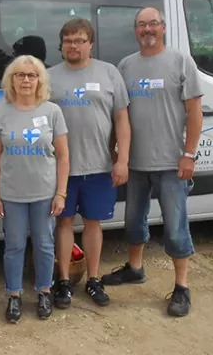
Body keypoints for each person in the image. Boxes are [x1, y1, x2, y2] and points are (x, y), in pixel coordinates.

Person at [101, 7, 203, 318]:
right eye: (142, 25)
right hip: (135, 163)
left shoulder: (180, 62)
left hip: (172, 164)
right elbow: (119, 115)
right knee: (133, 221)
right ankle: (135, 268)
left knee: (175, 227)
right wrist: (117, 152)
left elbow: (195, 113)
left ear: (164, 27)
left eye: (153, 24)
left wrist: (189, 154)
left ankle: (182, 287)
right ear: (136, 31)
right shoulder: (126, 66)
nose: (148, 29)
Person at [47, 18, 130, 309]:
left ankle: (94, 279)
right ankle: (65, 281)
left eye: (80, 40)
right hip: (60, 169)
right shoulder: (49, 77)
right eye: (68, 40)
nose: (74, 45)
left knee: (94, 223)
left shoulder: (109, 73)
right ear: (61, 45)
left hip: (99, 164)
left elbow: (121, 118)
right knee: (64, 222)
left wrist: (123, 160)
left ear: (90, 43)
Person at [0, 55, 70, 323]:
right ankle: (14, 295)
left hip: (44, 193)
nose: (25, 80)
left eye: (31, 75)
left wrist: (61, 193)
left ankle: (44, 290)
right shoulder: (0, 112)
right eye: (19, 75)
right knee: (13, 246)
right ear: (11, 80)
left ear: (40, 80)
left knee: (45, 245)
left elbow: (63, 156)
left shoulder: (52, 111)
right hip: (11, 193)